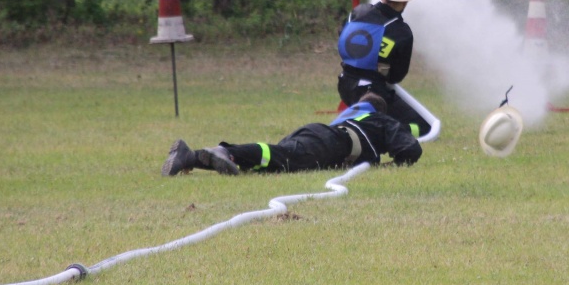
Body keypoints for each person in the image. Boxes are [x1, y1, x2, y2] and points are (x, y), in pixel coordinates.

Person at [161, 93, 422, 176]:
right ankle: (225, 150)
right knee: (282, 156)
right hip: (330, 143)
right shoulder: (380, 120)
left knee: (271, 165)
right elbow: (412, 149)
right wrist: (392, 165)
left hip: (318, 134)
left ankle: (191, 157)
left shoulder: (354, 116)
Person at [336, 0, 431, 137]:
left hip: (344, 85)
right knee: (423, 127)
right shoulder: (401, 31)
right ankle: (380, 131)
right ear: (405, 2)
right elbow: (396, 77)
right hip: (374, 93)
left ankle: (366, 123)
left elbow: (344, 39)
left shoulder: (357, 12)